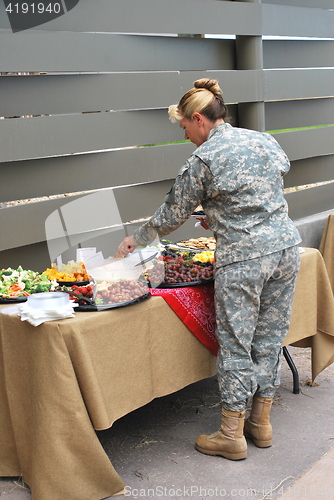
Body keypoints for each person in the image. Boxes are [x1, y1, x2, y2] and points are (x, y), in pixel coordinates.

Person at [117, 78, 301, 460]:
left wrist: (138, 238)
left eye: (184, 126)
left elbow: (171, 215)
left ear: (199, 119)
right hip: (285, 249)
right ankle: (261, 425)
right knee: (268, 339)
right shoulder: (263, 140)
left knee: (236, 344)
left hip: (244, 260)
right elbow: (274, 174)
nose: (185, 135)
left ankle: (231, 435)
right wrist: (220, 214)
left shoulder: (203, 159)